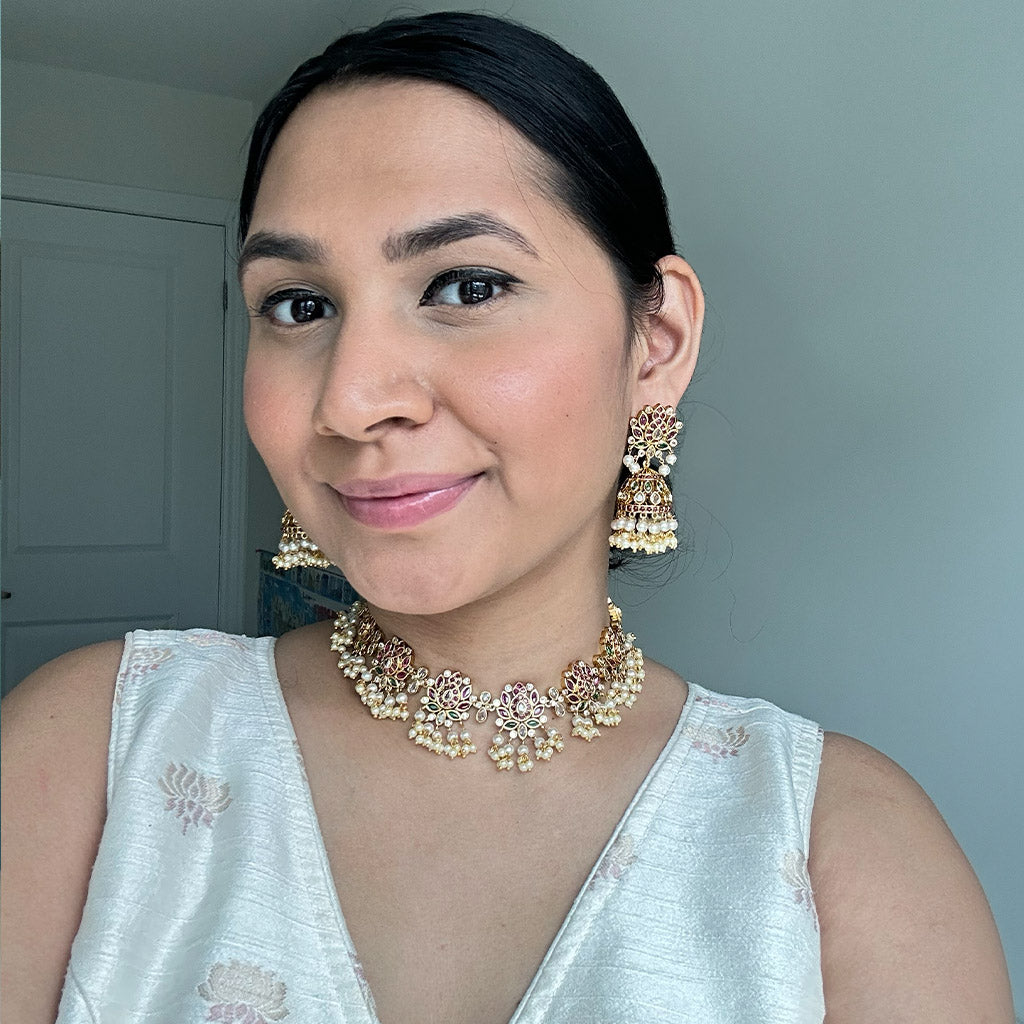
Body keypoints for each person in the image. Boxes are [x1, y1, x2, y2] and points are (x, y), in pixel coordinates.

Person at [1, 12, 1013, 1024]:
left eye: (466, 285)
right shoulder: (95, 749)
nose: (349, 401)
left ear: (656, 341)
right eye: (299, 304)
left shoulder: (838, 846)